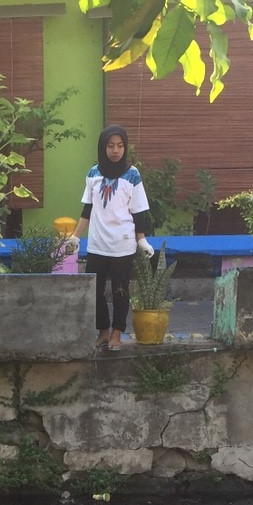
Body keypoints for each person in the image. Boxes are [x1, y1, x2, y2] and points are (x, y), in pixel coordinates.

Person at [73, 125, 153, 351]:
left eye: (120, 146)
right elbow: (87, 209)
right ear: (103, 147)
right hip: (97, 244)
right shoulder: (93, 174)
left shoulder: (133, 174)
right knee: (95, 290)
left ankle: (117, 334)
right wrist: (75, 236)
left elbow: (139, 211)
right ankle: (103, 332)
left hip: (122, 245)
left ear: (125, 148)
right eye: (110, 146)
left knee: (120, 290)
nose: (115, 150)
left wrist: (141, 240)